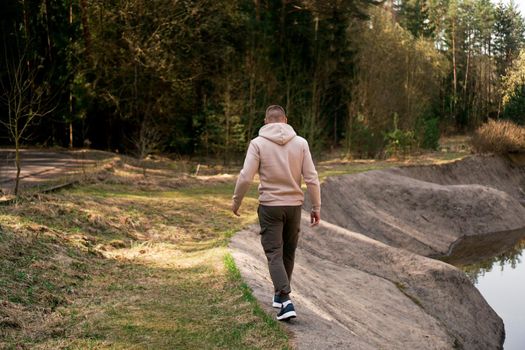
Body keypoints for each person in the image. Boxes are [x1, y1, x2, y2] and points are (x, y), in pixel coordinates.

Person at [232, 105, 321, 321]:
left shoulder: (258, 143)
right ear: (285, 120)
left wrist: (236, 201)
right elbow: (311, 177)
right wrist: (316, 206)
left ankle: (284, 298)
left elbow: (245, 176)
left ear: (265, 121)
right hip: (294, 207)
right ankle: (279, 295)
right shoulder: (301, 143)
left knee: (274, 253)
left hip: (270, 206)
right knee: (287, 252)